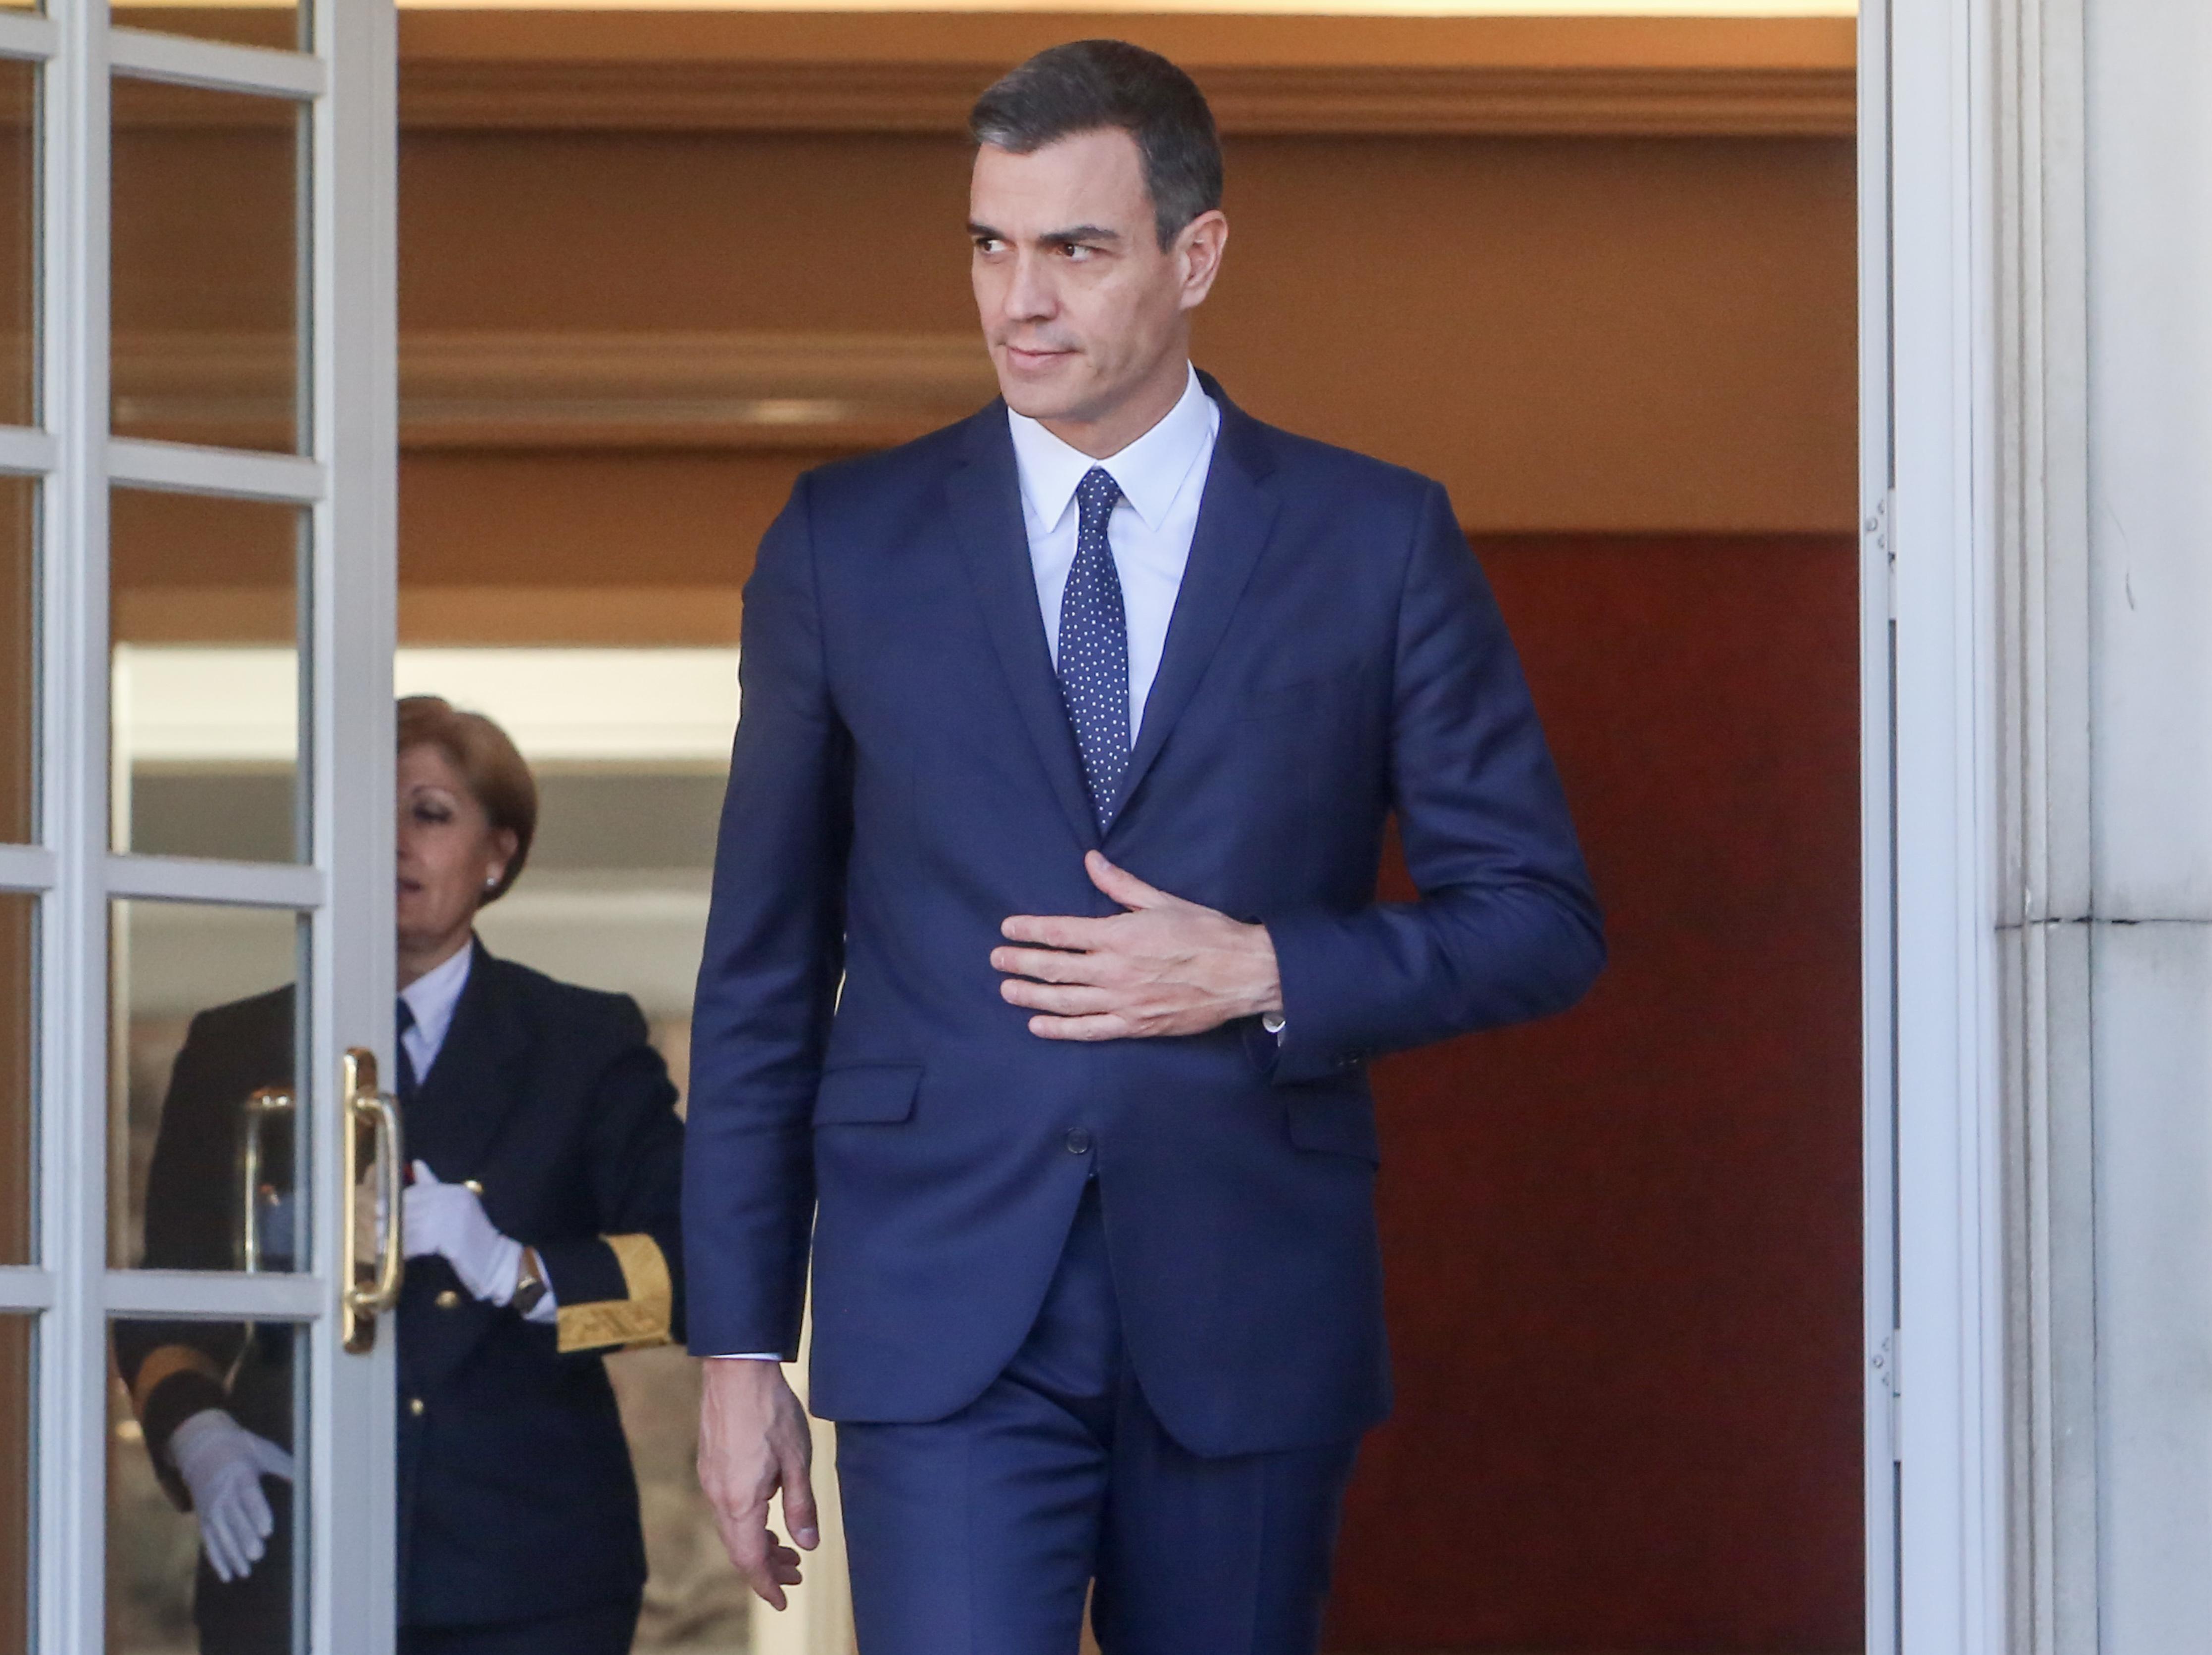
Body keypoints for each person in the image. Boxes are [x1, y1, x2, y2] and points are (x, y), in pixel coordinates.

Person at [683, 38, 1605, 1655]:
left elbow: (1537, 914)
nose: (1018, 299)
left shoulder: (1373, 540)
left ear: (1198, 254)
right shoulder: (847, 544)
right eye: (990, 243)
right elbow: (760, 971)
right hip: (941, 1297)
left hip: (1250, 1292)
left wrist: (1261, 966)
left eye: (1075, 248)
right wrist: (738, 1344)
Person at [116, 695, 687, 1655]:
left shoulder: (583, 1042)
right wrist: (195, 1431)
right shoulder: (236, 1045)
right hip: (295, 1547)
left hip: (529, 1566)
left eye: (428, 813)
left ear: (496, 853)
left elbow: (693, 1273)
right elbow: (169, 1296)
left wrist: (515, 1267)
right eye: (368, 813)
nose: (394, 843)